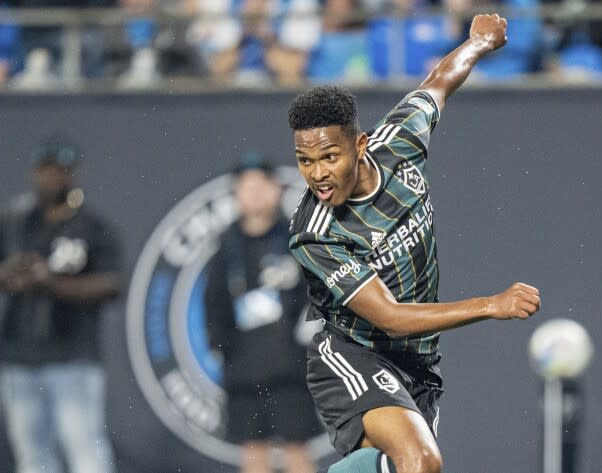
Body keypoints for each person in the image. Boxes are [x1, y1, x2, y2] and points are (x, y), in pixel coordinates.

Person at [287, 14, 541, 473]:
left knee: (393, 468)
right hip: (352, 354)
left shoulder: (398, 143)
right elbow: (391, 318)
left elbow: (439, 83)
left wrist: (478, 43)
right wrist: (491, 304)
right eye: (305, 161)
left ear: (360, 145)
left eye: (329, 156)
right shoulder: (316, 233)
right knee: (421, 461)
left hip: (420, 365)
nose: (318, 174)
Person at [0, 136, 120, 473]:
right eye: (46, 170)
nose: (52, 179)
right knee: (33, 458)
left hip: (72, 355)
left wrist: (51, 283)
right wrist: (7, 273)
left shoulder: (91, 226)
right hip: (19, 357)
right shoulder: (15, 221)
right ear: (34, 172)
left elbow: (111, 284)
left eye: (60, 171)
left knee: (86, 453)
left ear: (73, 174)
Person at [204, 155, 321, 473]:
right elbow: (213, 305)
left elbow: (319, 296)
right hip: (243, 371)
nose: (254, 193)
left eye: (261, 185)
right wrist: (222, 347)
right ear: (235, 195)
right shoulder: (224, 247)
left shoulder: (298, 241)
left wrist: (305, 343)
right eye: (246, 186)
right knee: (254, 454)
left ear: (277, 191)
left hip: (291, 369)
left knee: (296, 450)